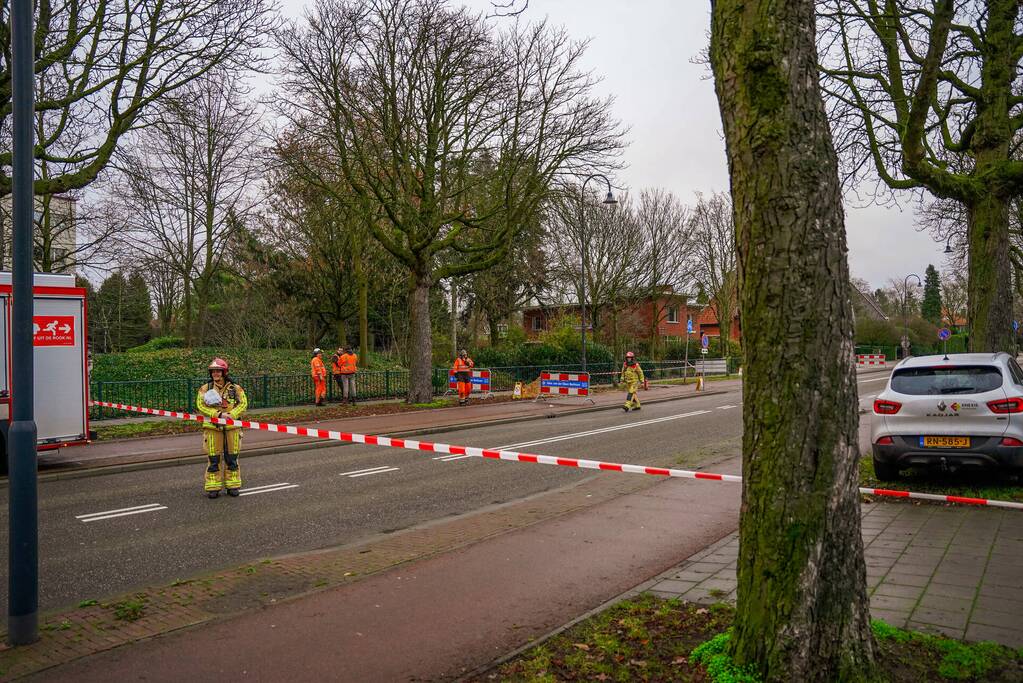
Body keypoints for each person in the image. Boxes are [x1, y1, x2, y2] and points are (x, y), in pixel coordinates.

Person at [196, 358, 248, 498]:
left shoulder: (235, 388)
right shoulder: (205, 388)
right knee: (214, 459)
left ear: (224, 372)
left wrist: (232, 414)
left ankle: (233, 485)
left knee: (232, 458)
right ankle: (213, 487)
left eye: (218, 371)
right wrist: (217, 414)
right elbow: (201, 406)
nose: (215, 374)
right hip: (213, 429)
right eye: (213, 371)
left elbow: (243, 404)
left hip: (232, 428)